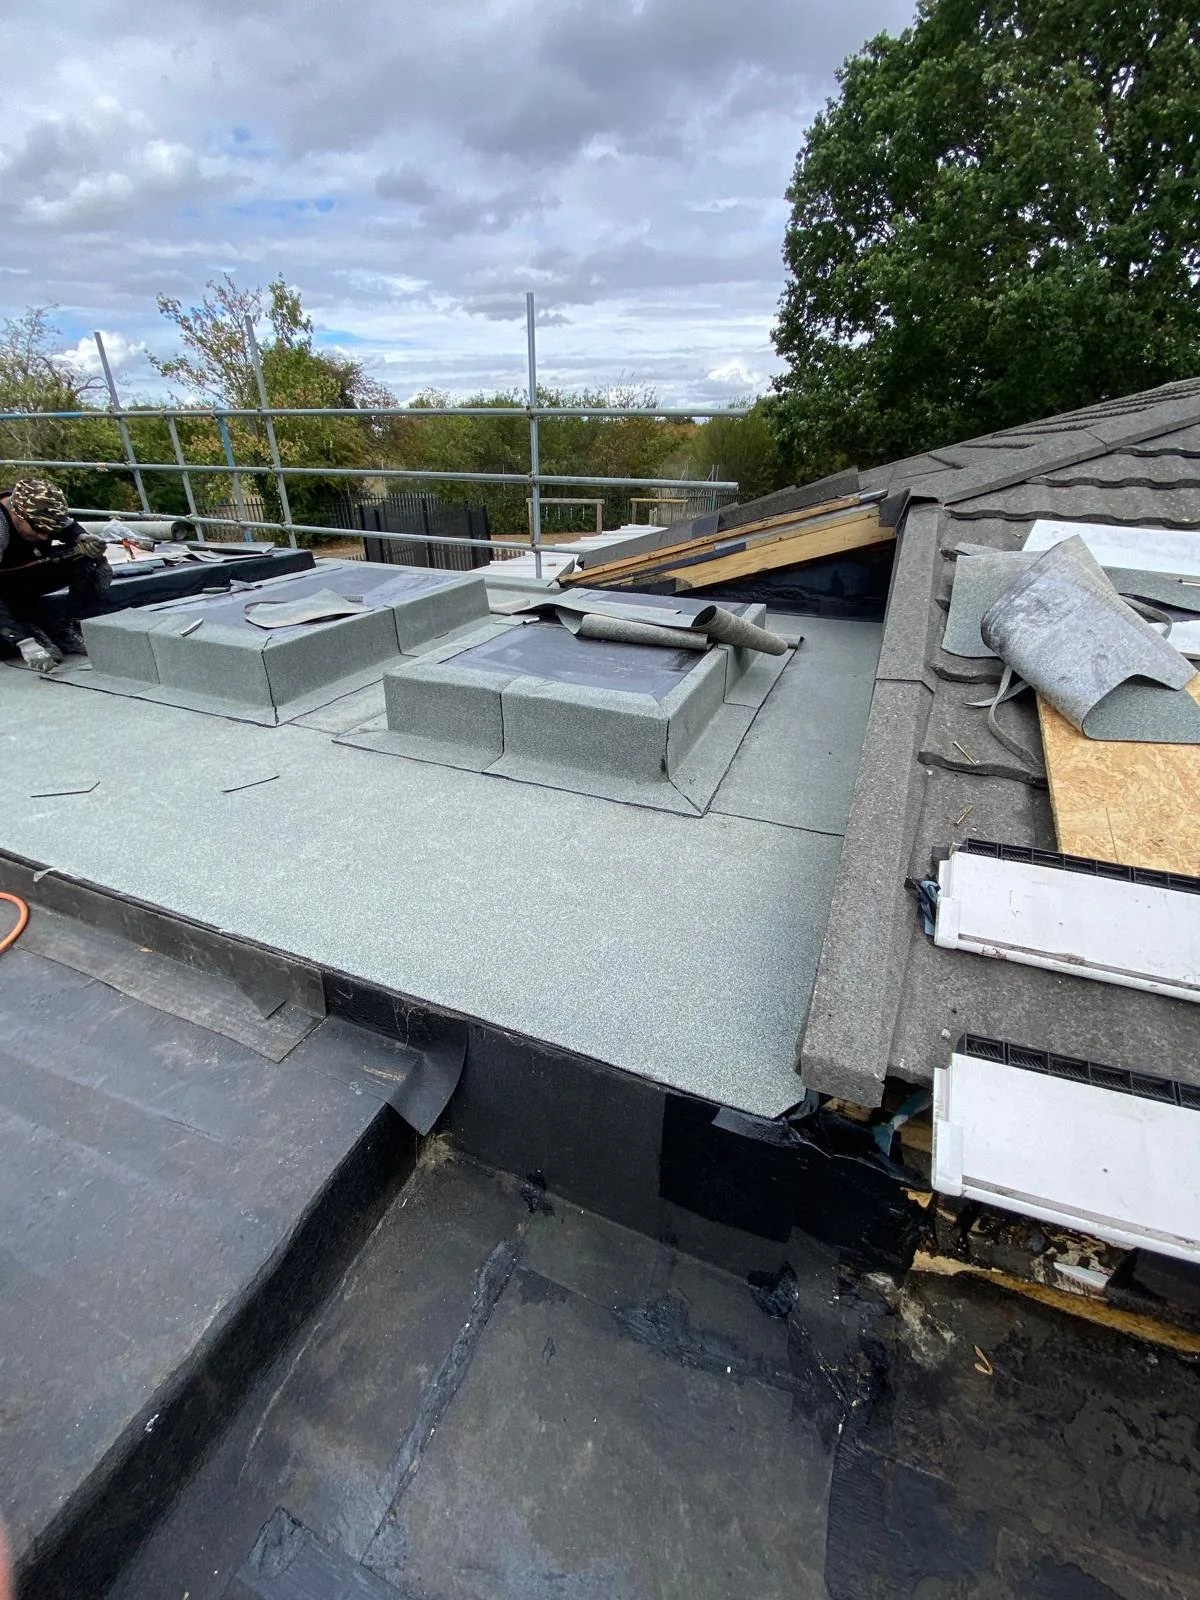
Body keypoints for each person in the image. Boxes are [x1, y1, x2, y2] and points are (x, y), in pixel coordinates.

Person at [0, 478, 110, 671]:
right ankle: (26, 629)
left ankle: (63, 627)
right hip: (3, 587)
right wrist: (22, 641)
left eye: (51, 531)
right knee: (46, 653)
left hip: (22, 574)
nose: (44, 537)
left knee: (90, 560)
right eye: (38, 529)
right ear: (17, 514)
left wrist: (82, 538)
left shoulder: (42, 510)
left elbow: (68, 526)